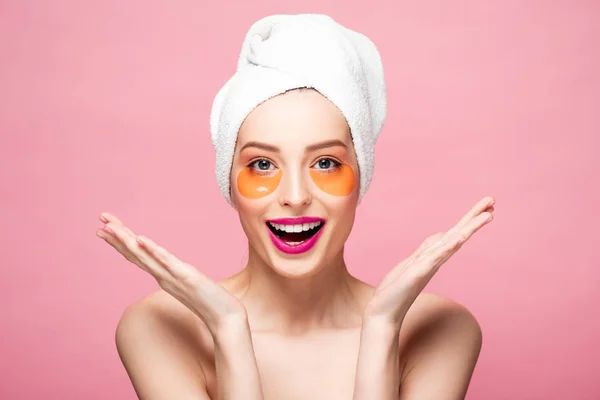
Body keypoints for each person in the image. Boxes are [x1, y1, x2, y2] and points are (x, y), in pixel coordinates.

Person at [96, 14, 495, 400]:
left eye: (325, 163)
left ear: (362, 177)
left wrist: (381, 328)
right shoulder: (158, 327)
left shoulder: (441, 329)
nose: (295, 195)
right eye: (262, 164)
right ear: (229, 184)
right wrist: (229, 329)